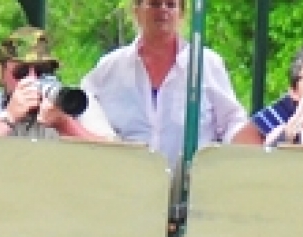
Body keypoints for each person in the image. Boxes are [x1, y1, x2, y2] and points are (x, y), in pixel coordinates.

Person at [79, 0, 249, 160]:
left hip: (191, 185)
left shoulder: (205, 64)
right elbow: (83, 105)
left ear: (181, 13)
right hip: (127, 183)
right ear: (136, 10)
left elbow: (232, 122)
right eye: (154, 3)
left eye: (170, 4)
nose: (163, 10)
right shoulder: (111, 67)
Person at [0, 27, 112, 140]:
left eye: (42, 71)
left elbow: (113, 159)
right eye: (21, 72)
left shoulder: (77, 104)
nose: (33, 79)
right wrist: (8, 118)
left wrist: (65, 124)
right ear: (1, 73)